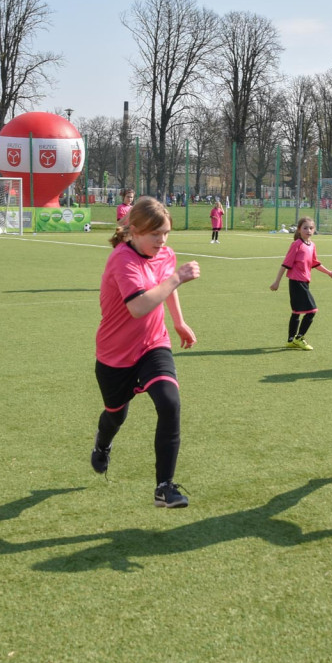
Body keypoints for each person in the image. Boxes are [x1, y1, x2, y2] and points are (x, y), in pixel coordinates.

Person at [91, 196, 201, 508]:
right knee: (115, 415)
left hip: (153, 344)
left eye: (166, 233)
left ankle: (164, 487)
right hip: (115, 354)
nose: (162, 240)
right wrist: (177, 277)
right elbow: (138, 306)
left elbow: (166, 287)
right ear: (135, 231)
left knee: (170, 403)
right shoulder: (121, 260)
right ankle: (103, 444)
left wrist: (179, 322)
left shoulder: (164, 253)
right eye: (155, 234)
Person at [270, 217, 332, 350]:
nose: (308, 230)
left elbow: (315, 263)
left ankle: (290, 340)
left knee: (296, 312)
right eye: (305, 228)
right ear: (299, 230)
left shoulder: (312, 245)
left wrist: (328, 272)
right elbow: (285, 264)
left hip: (304, 282)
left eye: (311, 228)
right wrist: (276, 282)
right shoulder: (296, 245)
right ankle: (299, 337)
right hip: (296, 282)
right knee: (312, 310)